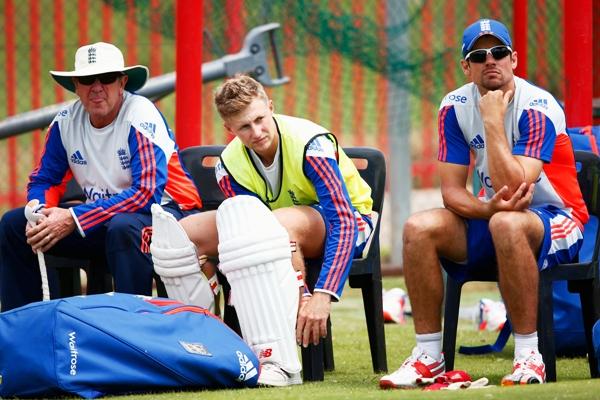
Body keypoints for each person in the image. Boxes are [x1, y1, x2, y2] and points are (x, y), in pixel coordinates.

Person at [379, 18, 588, 389]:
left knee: (506, 224)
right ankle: (428, 356)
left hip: (559, 217)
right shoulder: (454, 106)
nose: (490, 60)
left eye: (499, 52)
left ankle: (528, 356)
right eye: (478, 55)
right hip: (496, 217)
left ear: (514, 59)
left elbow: (514, 184)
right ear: (466, 66)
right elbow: (453, 194)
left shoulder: (540, 104)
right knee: (419, 227)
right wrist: (488, 209)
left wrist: (492, 121)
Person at [150, 74, 374, 386]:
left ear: (270, 106)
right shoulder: (228, 165)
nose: (256, 132)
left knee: (276, 226)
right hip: (276, 231)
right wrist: (213, 268)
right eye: (244, 126)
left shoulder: (312, 143)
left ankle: (282, 362)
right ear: (230, 129)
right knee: (179, 236)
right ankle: (205, 346)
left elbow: (344, 221)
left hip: (353, 221)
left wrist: (320, 296)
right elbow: (244, 226)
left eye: (260, 119)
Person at [0, 42, 203, 311]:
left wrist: (73, 218)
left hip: (170, 216)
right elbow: (44, 180)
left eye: (107, 78)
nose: (97, 87)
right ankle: (31, 328)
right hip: (107, 220)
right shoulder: (65, 122)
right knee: (14, 226)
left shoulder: (139, 114)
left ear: (122, 82)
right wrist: (40, 213)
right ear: (76, 85)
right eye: (87, 79)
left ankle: (135, 329)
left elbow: (147, 194)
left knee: (123, 228)